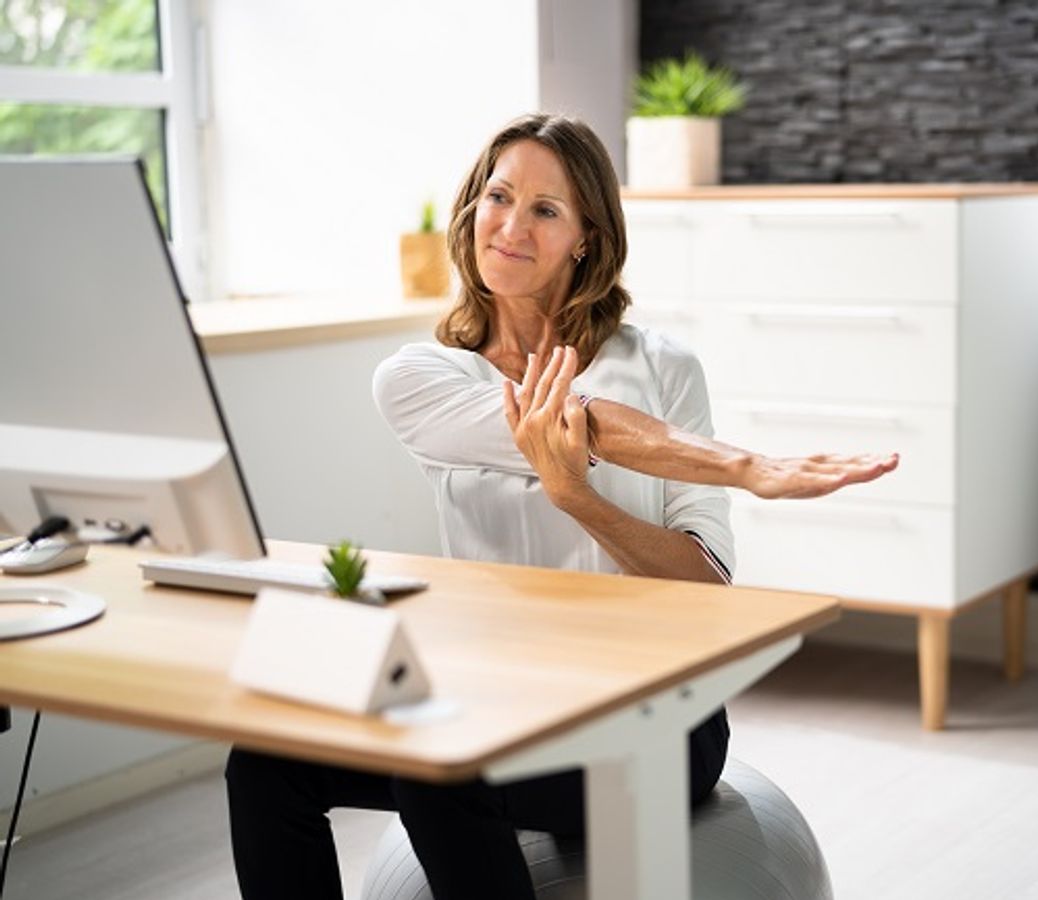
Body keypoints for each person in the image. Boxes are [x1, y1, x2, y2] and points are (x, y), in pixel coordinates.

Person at [225, 112, 897, 900]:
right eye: (499, 197)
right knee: (264, 764)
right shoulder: (421, 379)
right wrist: (747, 466)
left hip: (656, 719)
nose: (511, 226)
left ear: (585, 237)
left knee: (441, 770)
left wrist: (578, 498)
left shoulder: (662, 369)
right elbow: (572, 424)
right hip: (496, 695)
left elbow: (705, 584)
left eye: (546, 210)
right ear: (471, 207)